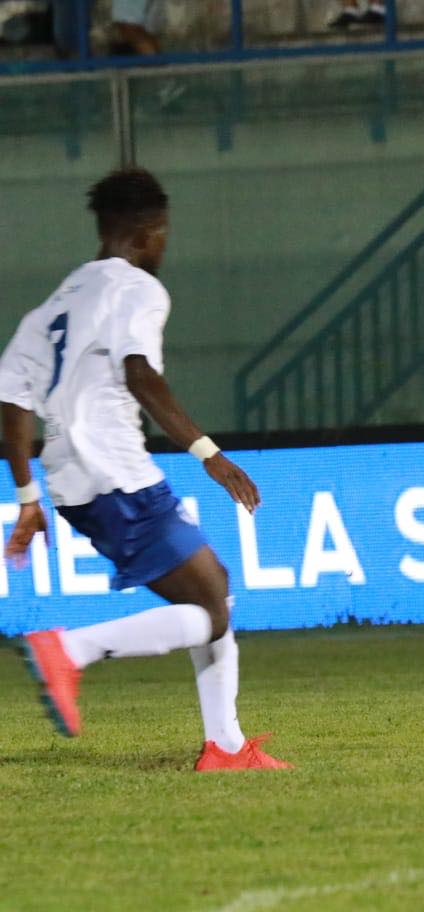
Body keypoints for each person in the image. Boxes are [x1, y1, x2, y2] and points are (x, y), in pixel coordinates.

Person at [0, 167, 290, 770]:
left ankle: (225, 746)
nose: (164, 246)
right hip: (117, 472)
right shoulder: (136, 289)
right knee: (213, 610)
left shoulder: (53, 306)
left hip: (73, 484)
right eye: (163, 234)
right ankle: (70, 650)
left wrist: (28, 496)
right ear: (146, 231)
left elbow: (11, 402)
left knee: (212, 595)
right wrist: (209, 454)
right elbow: (140, 374)